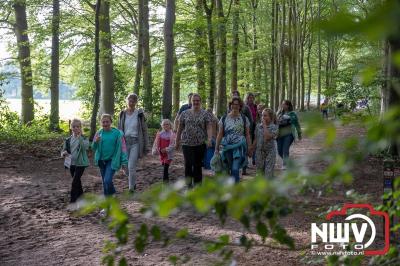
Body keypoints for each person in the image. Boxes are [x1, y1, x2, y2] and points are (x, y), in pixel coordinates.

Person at [176, 93, 213, 187]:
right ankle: (188, 186)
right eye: (194, 100)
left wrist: (209, 139)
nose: (196, 102)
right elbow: (180, 128)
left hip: (200, 144)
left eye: (198, 100)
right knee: (188, 165)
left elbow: (209, 127)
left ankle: (198, 187)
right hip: (187, 143)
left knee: (197, 165)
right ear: (191, 101)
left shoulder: (205, 114)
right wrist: (177, 141)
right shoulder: (184, 113)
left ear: (200, 102)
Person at [215, 97, 252, 183]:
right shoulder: (224, 118)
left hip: (239, 146)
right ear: (230, 105)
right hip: (227, 146)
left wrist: (250, 147)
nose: (235, 106)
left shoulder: (244, 118)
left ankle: (235, 189)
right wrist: (216, 148)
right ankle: (232, 189)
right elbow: (220, 134)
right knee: (229, 168)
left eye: (237, 104)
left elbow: (247, 134)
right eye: (233, 104)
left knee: (235, 169)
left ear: (240, 106)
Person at [118, 93, 149, 192]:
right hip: (124, 142)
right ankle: (133, 182)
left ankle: (131, 189)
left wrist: (146, 145)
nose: (131, 103)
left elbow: (144, 130)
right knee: (125, 167)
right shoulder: (122, 114)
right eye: (129, 101)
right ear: (127, 101)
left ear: (136, 102)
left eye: (133, 101)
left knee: (131, 166)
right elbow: (119, 129)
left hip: (136, 142)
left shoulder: (139, 114)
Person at [92, 114, 128, 196]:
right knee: (105, 182)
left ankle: (111, 197)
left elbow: (123, 148)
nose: (105, 124)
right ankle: (108, 203)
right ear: (101, 123)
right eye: (103, 122)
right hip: (101, 160)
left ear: (111, 122)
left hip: (112, 160)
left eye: (107, 122)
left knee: (107, 180)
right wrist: (96, 142)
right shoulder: (99, 133)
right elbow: (93, 148)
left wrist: (124, 161)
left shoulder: (117, 133)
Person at [61, 119, 89, 203]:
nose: (76, 128)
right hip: (71, 164)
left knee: (74, 182)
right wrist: (64, 153)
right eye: (74, 126)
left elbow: (85, 147)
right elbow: (63, 150)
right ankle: (82, 198)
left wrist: (79, 137)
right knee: (77, 182)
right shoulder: (68, 140)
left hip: (81, 164)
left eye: (78, 127)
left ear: (80, 128)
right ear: (71, 127)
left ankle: (72, 202)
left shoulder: (84, 138)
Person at [251, 109, 278, 179]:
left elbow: (267, 137)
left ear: (270, 117)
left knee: (268, 174)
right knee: (260, 174)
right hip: (259, 152)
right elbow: (256, 139)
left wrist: (265, 126)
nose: (263, 117)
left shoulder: (274, 127)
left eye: (265, 116)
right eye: (262, 115)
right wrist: (251, 149)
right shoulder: (258, 126)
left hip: (270, 152)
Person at [230, 90, 253, 175]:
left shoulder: (245, 108)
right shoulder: (230, 107)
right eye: (233, 95)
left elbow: (250, 120)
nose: (234, 96)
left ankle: (244, 168)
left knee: (244, 150)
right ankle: (232, 169)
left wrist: (248, 132)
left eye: (236, 95)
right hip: (232, 135)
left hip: (243, 133)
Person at [276, 100, 302, 170]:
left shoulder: (293, 114)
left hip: (289, 134)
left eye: (285, 104)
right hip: (279, 134)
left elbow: (297, 124)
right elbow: (275, 121)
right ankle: (287, 161)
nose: (283, 106)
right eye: (282, 104)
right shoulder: (279, 113)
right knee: (279, 150)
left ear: (288, 105)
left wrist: (299, 133)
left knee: (285, 149)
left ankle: (285, 164)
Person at [245, 93, 258, 166]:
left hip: (254, 126)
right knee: (247, 143)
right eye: (249, 98)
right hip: (247, 127)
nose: (251, 99)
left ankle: (254, 159)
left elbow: (257, 116)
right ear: (247, 99)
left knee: (254, 142)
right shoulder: (244, 107)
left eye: (252, 98)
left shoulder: (255, 106)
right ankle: (245, 162)